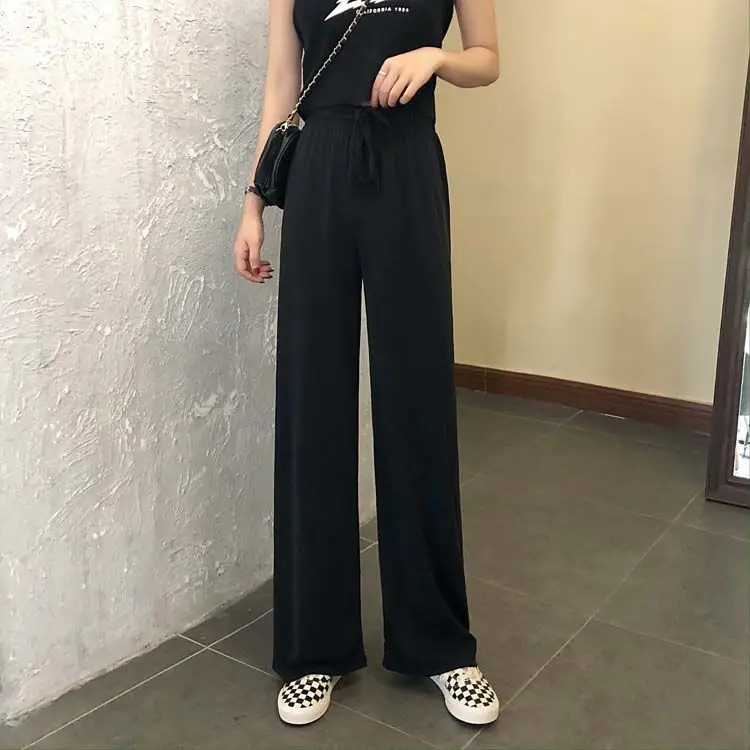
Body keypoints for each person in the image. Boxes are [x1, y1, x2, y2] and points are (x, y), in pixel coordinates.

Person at [234, 0, 500, 728]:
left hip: (408, 157)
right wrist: (255, 202)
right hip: (318, 166)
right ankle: (313, 648)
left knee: (417, 395)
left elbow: (487, 58)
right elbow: (282, 85)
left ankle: (439, 643)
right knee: (312, 397)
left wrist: (436, 58)